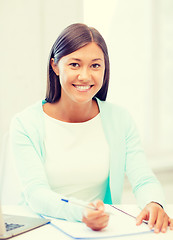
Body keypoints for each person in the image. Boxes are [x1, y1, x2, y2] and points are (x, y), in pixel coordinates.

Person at [10, 23, 173, 233]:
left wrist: (154, 203)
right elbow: (36, 193)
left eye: (95, 65)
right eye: (75, 65)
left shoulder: (120, 119)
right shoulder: (25, 124)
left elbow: (143, 179)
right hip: (41, 230)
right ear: (55, 65)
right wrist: (82, 213)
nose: (85, 76)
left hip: (99, 232)